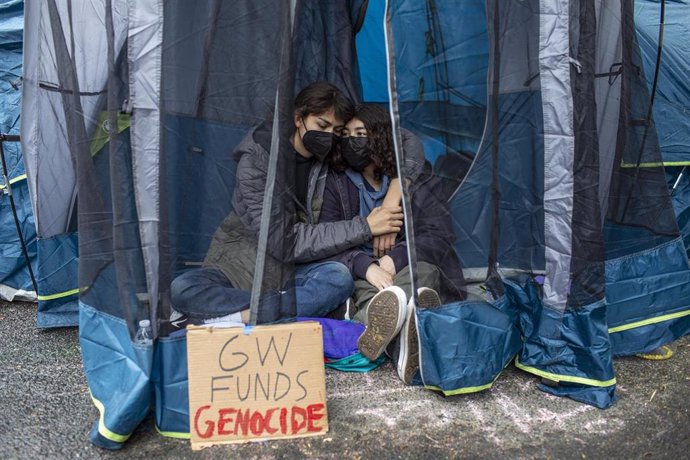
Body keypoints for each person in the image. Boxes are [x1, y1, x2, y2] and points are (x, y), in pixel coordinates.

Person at [170, 82, 411, 326]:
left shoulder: (334, 154)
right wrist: (366, 226)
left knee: (338, 278)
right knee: (183, 288)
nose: (329, 136)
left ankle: (236, 316)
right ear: (299, 118)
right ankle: (279, 310)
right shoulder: (256, 160)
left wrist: (392, 199)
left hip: (302, 270)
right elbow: (283, 241)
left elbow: (407, 142)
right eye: (322, 125)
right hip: (246, 263)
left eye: (337, 131)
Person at [320, 103, 466, 384]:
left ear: (380, 136)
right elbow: (327, 237)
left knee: (425, 274)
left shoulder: (416, 177)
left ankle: (380, 328)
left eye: (360, 133)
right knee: (373, 289)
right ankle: (408, 336)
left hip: (406, 265)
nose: (353, 142)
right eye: (347, 135)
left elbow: (438, 234)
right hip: (361, 271)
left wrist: (395, 258)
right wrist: (366, 266)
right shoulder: (335, 181)